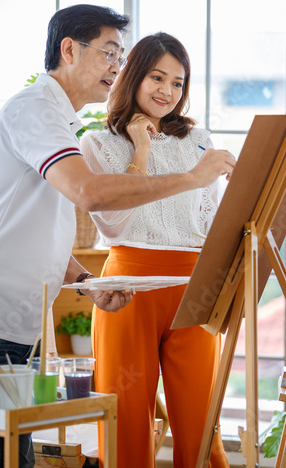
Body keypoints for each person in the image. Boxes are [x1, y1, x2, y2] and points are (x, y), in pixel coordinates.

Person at [0, 6, 234, 468]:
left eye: (120, 54)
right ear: (69, 49)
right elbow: (89, 194)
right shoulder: (35, 112)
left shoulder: (60, 122)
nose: (117, 64)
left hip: (15, 326)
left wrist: (88, 280)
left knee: (12, 455)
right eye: (110, 52)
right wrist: (191, 177)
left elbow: (40, 227)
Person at [80, 32, 234, 468]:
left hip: (193, 286)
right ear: (133, 76)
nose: (168, 91)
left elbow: (208, 223)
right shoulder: (98, 143)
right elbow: (112, 223)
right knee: (125, 415)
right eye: (157, 77)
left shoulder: (198, 139)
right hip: (127, 286)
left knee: (200, 418)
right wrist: (141, 150)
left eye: (179, 82)